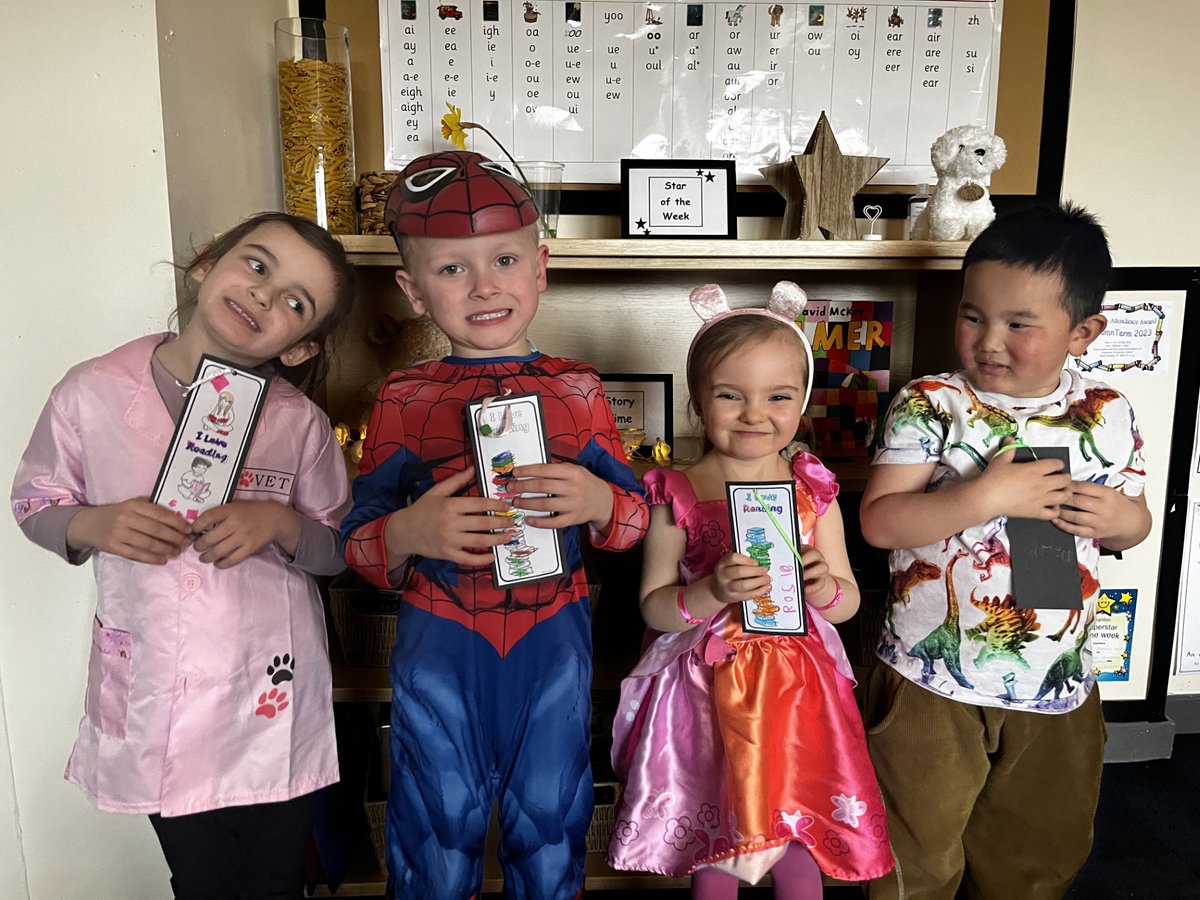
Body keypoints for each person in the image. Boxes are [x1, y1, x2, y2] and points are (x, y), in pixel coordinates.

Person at [11, 212, 357, 899]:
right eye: (257, 266)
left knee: (278, 876)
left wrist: (281, 525)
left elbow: (338, 548)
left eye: (295, 302)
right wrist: (91, 523)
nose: (264, 295)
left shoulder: (299, 424)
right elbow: (33, 502)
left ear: (299, 348)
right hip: (157, 687)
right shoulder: (92, 391)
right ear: (206, 265)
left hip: (269, 695)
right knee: (200, 878)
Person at [340, 149, 650, 899]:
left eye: (505, 259)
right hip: (440, 640)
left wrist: (598, 502)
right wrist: (409, 534)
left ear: (540, 267)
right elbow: (357, 541)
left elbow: (637, 518)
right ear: (412, 291)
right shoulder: (403, 397)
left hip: (554, 638)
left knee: (550, 824)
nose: (484, 286)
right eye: (452, 270)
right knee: (433, 826)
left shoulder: (577, 389)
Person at [859, 203, 1152, 899]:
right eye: (972, 316)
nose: (989, 340)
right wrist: (987, 497)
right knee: (916, 848)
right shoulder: (929, 403)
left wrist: (1122, 519)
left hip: (1057, 677)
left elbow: (1131, 524)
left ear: (1083, 332)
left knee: (1037, 849)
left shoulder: (1108, 411)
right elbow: (880, 522)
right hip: (931, 676)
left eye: (1019, 324)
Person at [607, 281, 894, 898]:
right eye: (730, 395)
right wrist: (708, 591)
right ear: (697, 401)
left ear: (803, 402)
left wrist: (823, 587)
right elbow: (655, 605)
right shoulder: (675, 492)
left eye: (778, 396)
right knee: (723, 837)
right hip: (704, 687)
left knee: (794, 834)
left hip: (797, 688)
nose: (754, 414)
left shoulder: (812, 490)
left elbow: (846, 605)